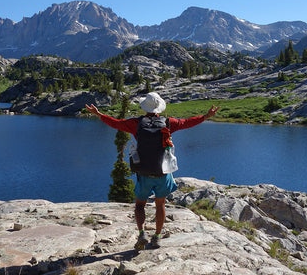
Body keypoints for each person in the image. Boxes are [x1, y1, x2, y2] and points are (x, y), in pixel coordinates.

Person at [85, 92, 219, 250]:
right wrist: (206, 116)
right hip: (163, 171)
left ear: (145, 107)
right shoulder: (169, 122)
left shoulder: (136, 123)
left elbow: (116, 123)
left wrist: (99, 114)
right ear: (159, 108)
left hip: (143, 172)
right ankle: (156, 237)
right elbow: (187, 122)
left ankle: (142, 233)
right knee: (160, 204)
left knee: (140, 205)